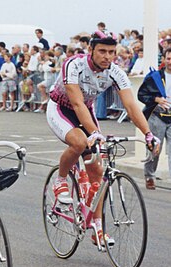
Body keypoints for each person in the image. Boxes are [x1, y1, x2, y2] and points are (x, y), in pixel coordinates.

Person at [46, 30, 160, 248]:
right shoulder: (74, 65)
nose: (107, 56)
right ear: (91, 50)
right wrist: (94, 133)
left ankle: (97, 228)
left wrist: (147, 133)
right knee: (80, 142)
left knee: (98, 172)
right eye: (102, 51)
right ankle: (60, 180)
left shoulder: (116, 72)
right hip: (61, 108)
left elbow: (131, 106)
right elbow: (77, 103)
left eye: (111, 52)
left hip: (85, 112)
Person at [138, 47, 171, 189]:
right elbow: (141, 95)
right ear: (163, 59)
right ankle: (149, 176)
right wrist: (156, 99)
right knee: (154, 149)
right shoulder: (154, 77)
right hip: (157, 117)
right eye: (169, 58)